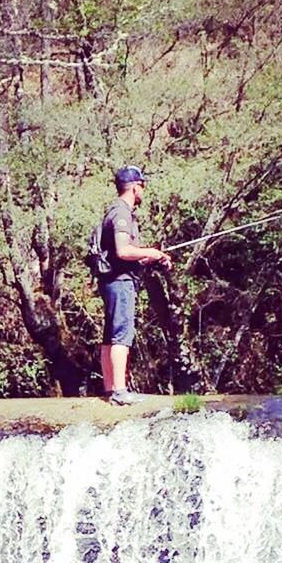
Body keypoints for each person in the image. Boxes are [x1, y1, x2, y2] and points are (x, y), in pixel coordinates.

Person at [99, 165, 172, 405]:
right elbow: (122, 250)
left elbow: (125, 253)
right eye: (142, 185)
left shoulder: (115, 211)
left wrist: (153, 257)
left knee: (110, 335)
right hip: (120, 282)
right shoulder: (121, 213)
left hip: (113, 280)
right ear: (133, 187)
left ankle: (110, 390)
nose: (144, 189)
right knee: (121, 334)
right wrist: (152, 251)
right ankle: (119, 392)